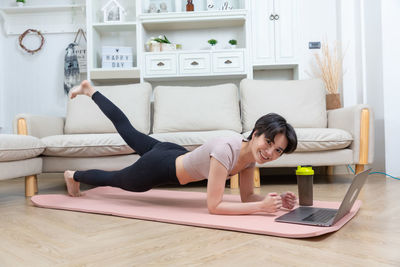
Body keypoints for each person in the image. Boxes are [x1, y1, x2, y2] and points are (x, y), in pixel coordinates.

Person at [64, 80, 298, 215]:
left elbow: (247, 197)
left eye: (278, 150)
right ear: (256, 133)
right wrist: (262, 208)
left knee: (128, 130)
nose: (270, 153)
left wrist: (273, 202)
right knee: (115, 179)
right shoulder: (227, 150)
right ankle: (73, 175)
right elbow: (214, 206)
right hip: (158, 168)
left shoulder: (250, 157)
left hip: (171, 152)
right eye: (269, 143)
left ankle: (89, 90)